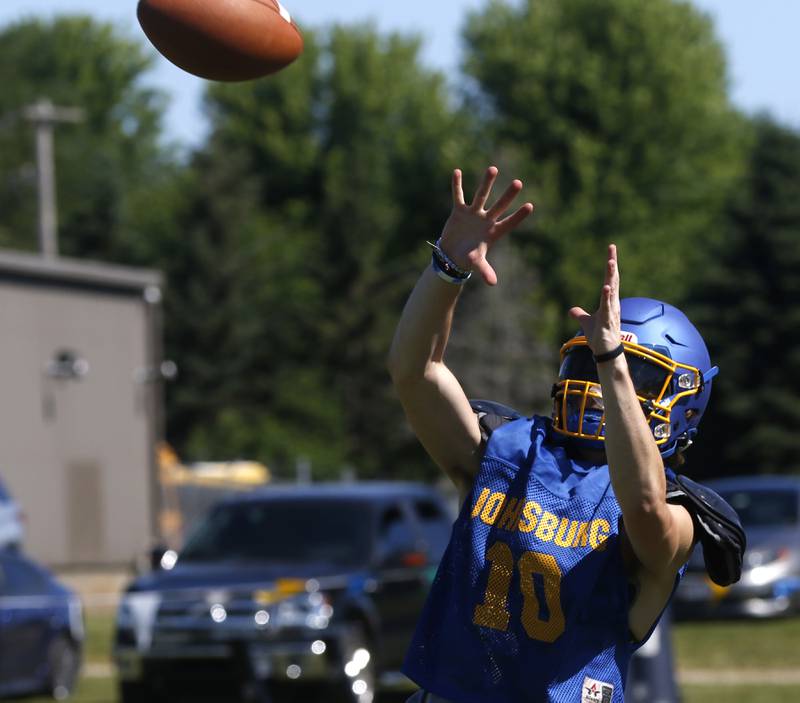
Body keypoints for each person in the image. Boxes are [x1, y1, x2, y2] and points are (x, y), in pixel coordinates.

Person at [387, 166, 741, 703]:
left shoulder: (678, 514)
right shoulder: (508, 451)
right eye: (587, 366)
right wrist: (446, 268)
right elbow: (416, 373)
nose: (596, 387)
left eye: (627, 375)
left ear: (684, 405)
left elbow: (643, 505)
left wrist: (613, 360)